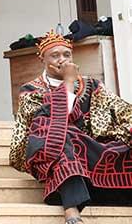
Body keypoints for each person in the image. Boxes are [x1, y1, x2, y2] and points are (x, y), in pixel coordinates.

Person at [10, 30, 132, 224]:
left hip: (91, 148)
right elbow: (47, 124)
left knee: (122, 145)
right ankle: (71, 208)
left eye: (66, 55)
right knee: (61, 134)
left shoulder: (92, 84)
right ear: (42, 59)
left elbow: (121, 109)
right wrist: (68, 82)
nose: (62, 60)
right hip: (52, 150)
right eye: (55, 55)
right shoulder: (31, 89)